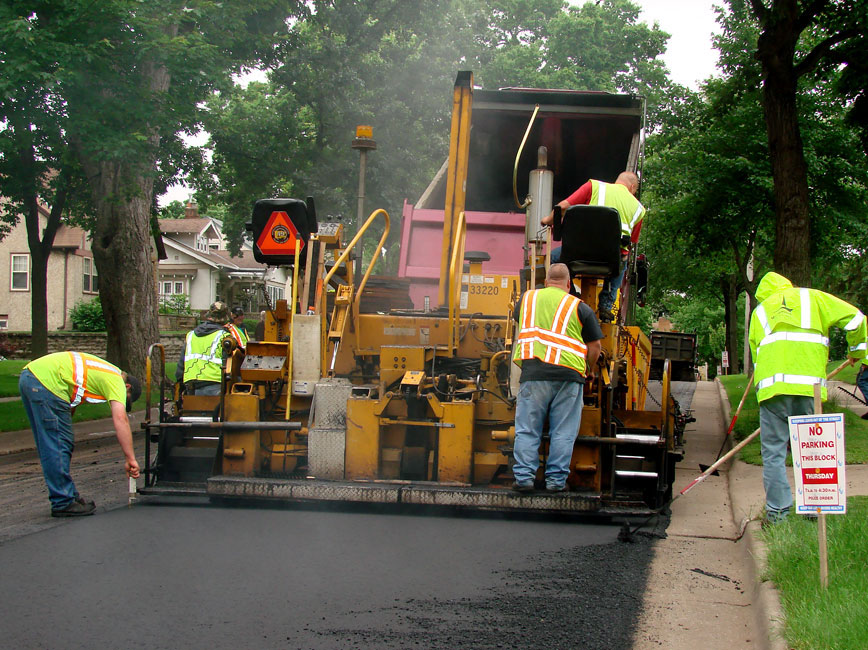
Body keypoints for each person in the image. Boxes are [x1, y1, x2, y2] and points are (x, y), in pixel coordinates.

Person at [748, 272, 867, 524]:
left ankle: (777, 514)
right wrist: (856, 351)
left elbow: (756, 356)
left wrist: (763, 389)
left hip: (773, 391)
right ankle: (815, 509)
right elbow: (857, 320)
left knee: (773, 454)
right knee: (813, 451)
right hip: (809, 390)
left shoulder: (759, 312)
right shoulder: (813, 298)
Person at [511, 263, 603, 493]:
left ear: (546, 281)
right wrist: (588, 369)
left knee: (527, 429)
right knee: (562, 432)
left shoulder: (527, 300)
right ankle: (555, 482)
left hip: (534, 374)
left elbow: (520, 323)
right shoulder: (580, 307)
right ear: (569, 284)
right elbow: (596, 346)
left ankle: (524, 478)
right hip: (569, 377)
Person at [19, 351, 142, 517]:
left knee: (56, 441)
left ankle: (68, 496)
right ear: (127, 387)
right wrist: (130, 458)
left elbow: (73, 400)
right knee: (59, 444)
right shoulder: (115, 380)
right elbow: (121, 419)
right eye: (125, 398)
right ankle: (63, 502)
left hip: (32, 376)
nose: (120, 399)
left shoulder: (100, 373)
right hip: (46, 382)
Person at [542, 171, 646, 323]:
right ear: (632, 187)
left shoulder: (594, 186)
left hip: (577, 254)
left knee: (552, 259)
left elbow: (562, 207)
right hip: (609, 260)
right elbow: (629, 245)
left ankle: (568, 295)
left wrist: (547, 220)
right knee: (623, 260)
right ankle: (606, 304)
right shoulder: (639, 209)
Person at [175, 301, 231, 395]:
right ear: (224, 319)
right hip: (214, 383)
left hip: (191, 383)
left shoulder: (191, 335)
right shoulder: (224, 337)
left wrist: (179, 381)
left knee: (194, 409)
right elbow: (229, 363)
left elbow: (181, 363)